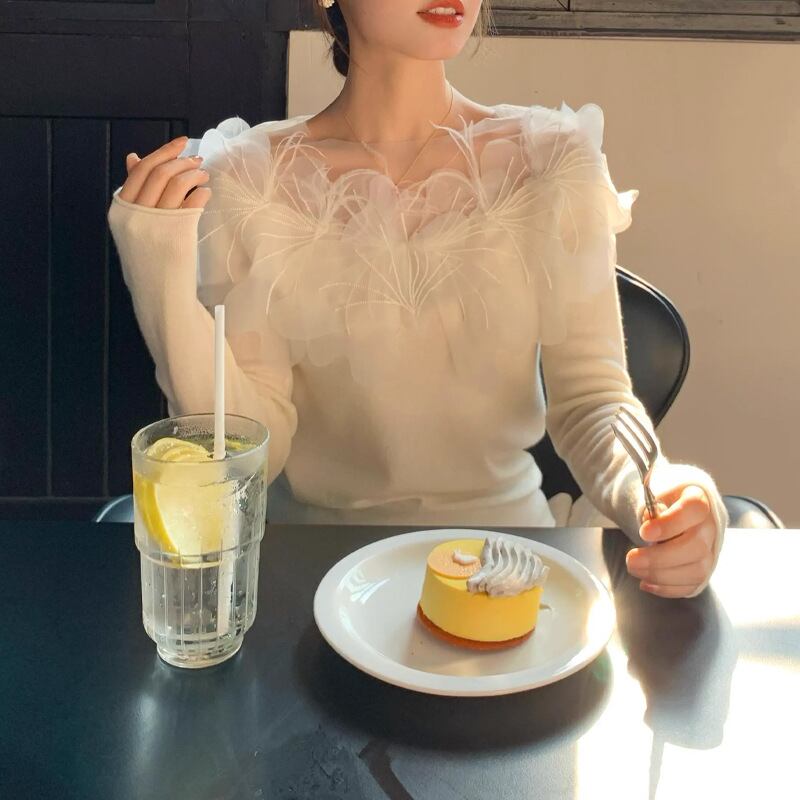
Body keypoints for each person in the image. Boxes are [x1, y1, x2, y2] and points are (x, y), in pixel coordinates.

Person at [107, 0, 728, 598]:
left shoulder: (553, 161)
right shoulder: (250, 180)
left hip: (509, 562)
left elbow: (595, 400)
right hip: (318, 570)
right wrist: (159, 277)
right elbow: (248, 453)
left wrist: (657, 490)